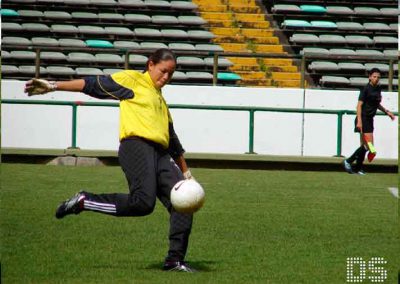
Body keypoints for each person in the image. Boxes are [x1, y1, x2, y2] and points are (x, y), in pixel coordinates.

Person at [25, 49, 197, 272]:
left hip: (162, 154)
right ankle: (84, 200)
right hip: (136, 146)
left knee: (185, 202)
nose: (165, 78)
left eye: (170, 74)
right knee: (143, 203)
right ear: (151, 64)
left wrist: (186, 173)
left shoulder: (160, 99)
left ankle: (175, 261)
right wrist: (53, 86)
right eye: (163, 71)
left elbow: (172, 139)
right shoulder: (132, 80)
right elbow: (94, 84)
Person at [343, 68, 395, 175]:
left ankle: (357, 168)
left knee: (366, 146)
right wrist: (359, 122)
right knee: (369, 146)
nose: (376, 79)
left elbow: (376, 104)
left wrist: (387, 111)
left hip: (370, 119)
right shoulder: (366, 89)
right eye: (374, 76)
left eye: (378, 77)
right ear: (370, 77)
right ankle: (348, 161)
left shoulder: (378, 89)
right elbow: (359, 106)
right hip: (363, 118)